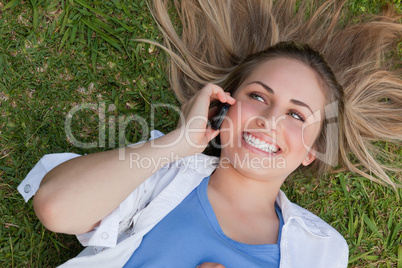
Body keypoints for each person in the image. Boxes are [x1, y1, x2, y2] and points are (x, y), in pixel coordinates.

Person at [18, 0, 401, 267]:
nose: (269, 119)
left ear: (311, 152)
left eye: (296, 115)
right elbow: (55, 207)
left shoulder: (323, 249)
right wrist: (177, 143)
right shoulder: (162, 172)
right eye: (257, 96)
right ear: (223, 107)